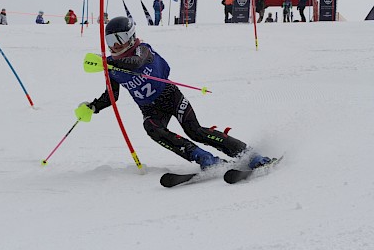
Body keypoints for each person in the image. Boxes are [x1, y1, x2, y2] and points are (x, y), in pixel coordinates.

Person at [75, 16, 273, 170]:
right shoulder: (111, 67)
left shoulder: (142, 49)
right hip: (150, 107)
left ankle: (249, 154)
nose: (114, 44)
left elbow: (136, 63)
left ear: (131, 36)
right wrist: (93, 107)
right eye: (110, 39)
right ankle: (204, 158)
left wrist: (107, 62)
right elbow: (112, 95)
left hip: (170, 96)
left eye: (120, 38)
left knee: (195, 130)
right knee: (152, 129)